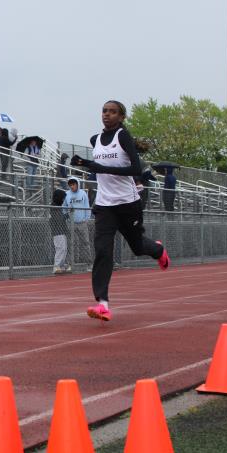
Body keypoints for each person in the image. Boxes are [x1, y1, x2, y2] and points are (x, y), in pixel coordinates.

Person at [70, 100, 169, 322]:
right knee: (103, 251)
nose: (107, 114)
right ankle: (102, 304)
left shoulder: (123, 137)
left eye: (112, 112)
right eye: (104, 111)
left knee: (137, 247)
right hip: (105, 205)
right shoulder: (95, 140)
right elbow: (97, 167)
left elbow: (135, 169)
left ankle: (158, 250)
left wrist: (98, 167)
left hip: (127, 203)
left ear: (121, 117)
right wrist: (86, 163)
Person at [64, 175, 92, 268]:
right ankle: (71, 263)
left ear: (77, 184)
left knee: (86, 243)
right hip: (71, 223)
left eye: (73, 184)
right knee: (71, 243)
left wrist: (86, 219)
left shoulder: (83, 193)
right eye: (70, 185)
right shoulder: (67, 194)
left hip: (82, 223)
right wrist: (67, 218)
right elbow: (64, 207)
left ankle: (89, 263)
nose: (72, 186)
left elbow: (87, 206)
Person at [50, 188, 69, 274]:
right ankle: (56, 266)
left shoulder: (58, 206)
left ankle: (61, 266)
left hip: (61, 231)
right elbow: (58, 219)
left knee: (64, 249)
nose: (63, 200)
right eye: (62, 198)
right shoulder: (54, 206)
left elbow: (60, 219)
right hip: (57, 231)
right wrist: (67, 215)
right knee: (60, 248)